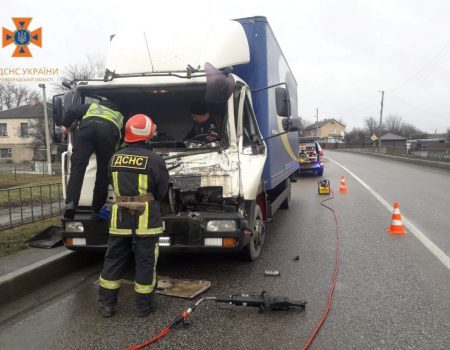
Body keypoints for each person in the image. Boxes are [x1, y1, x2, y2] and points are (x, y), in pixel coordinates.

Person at [98, 114, 169, 318]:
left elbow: (110, 181)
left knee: (113, 259)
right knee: (146, 261)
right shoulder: (155, 160)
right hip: (146, 219)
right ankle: (143, 306)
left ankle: (106, 305)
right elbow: (161, 192)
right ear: (147, 136)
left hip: (119, 217)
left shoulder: (115, 157)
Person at [62, 100, 124, 219]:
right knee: (103, 174)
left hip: (86, 130)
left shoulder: (92, 107)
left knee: (77, 168)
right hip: (108, 133)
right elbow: (120, 142)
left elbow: (70, 110)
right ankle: (96, 210)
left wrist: (67, 125)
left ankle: (71, 204)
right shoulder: (119, 116)